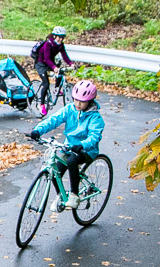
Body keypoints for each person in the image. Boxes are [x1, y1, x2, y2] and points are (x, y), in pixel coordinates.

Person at [28, 80, 104, 209]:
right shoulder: (69, 109)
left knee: (72, 161)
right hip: (68, 147)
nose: (78, 104)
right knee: (54, 170)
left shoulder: (95, 118)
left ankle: (74, 195)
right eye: (76, 100)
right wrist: (38, 130)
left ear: (90, 101)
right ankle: (61, 196)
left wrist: (82, 145)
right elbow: (54, 119)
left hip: (87, 150)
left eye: (82, 101)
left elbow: (94, 137)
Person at [31, 26, 74, 116]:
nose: (61, 39)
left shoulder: (61, 45)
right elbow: (46, 59)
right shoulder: (48, 44)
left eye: (62, 37)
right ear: (54, 36)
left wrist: (71, 63)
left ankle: (56, 89)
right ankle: (41, 104)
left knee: (60, 72)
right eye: (59, 37)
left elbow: (64, 55)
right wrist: (54, 67)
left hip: (50, 63)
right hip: (41, 64)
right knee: (46, 83)